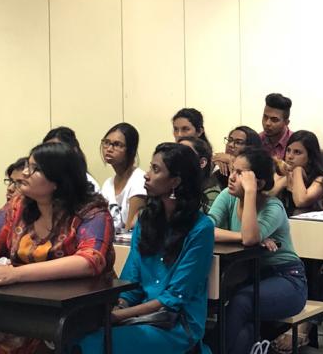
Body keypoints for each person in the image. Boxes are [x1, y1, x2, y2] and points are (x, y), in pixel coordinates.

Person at [0, 142, 115, 352]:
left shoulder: (92, 212)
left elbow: (90, 261)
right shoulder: (18, 206)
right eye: (27, 166)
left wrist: (16, 274)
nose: (24, 173)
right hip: (23, 308)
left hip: (74, 312)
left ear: (58, 180)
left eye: (35, 169)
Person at [77, 143, 214, 353]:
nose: (146, 175)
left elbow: (174, 298)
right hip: (139, 314)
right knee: (78, 335)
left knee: (93, 342)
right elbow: (131, 280)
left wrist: (118, 316)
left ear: (175, 181)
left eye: (156, 170)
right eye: (150, 167)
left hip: (176, 323)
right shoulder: (146, 220)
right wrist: (119, 306)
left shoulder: (201, 228)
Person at [210, 148, 307, 354]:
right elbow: (206, 228)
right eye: (233, 170)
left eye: (240, 174)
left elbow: (250, 238)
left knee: (241, 302)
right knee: (241, 329)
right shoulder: (228, 196)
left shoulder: (273, 207)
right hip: (249, 278)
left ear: (259, 183)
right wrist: (239, 236)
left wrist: (250, 193)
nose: (231, 177)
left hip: (287, 279)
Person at [270, 131, 323, 213]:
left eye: (297, 152)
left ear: (310, 157)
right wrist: (287, 177)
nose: (290, 156)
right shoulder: (282, 173)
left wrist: (298, 170)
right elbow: (268, 195)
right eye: (288, 150)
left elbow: (300, 201)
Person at [101, 123, 146, 232]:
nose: (109, 149)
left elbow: (130, 228)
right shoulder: (108, 184)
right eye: (106, 143)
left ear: (130, 150)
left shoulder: (139, 180)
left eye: (117, 144)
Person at [178, 136, 222, 209]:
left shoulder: (211, 194)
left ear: (202, 162)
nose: (178, 157)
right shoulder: (173, 186)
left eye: (185, 153)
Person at [261, 93, 294, 158]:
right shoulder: (257, 141)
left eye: (274, 120)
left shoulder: (295, 143)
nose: (267, 123)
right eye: (265, 117)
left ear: (286, 123)